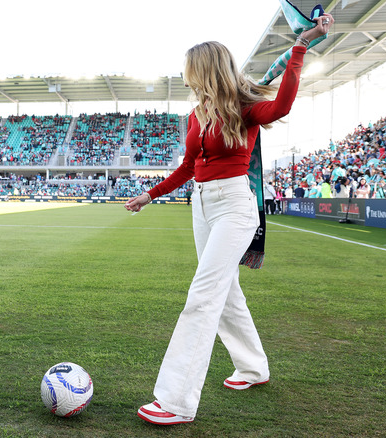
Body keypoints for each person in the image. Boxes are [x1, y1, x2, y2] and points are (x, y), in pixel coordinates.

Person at [124, 13, 333, 425]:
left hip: (236, 205)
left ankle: (176, 401)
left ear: (204, 69)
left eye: (189, 72)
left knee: (203, 295)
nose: (185, 80)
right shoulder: (195, 115)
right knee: (226, 292)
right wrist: (150, 194)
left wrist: (300, 48)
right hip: (201, 205)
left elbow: (282, 105)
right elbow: (189, 166)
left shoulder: (244, 105)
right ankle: (254, 368)